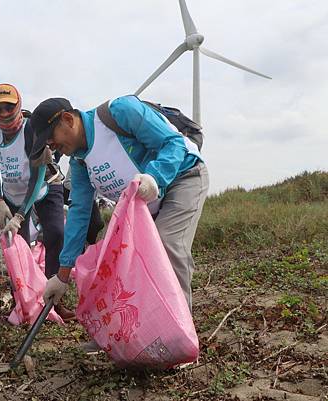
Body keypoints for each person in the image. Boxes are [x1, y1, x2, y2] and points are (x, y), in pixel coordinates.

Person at [30, 95, 209, 312]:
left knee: (166, 243)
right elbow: (79, 213)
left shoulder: (119, 112)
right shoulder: (79, 161)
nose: (52, 146)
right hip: (143, 204)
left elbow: (173, 143)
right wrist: (63, 275)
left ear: (68, 119)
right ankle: (121, 334)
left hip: (184, 177)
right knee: (110, 257)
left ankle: (180, 330)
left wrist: (155, 177)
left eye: (50, 137)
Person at [0, 84, 74, 320]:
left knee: (55, 234)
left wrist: (22, 215)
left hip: (44, 185)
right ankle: (21, 300)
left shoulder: (32, 130)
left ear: (18, 104)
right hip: (11, 192)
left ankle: (54, 300)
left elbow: (36, 176)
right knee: (16, 247)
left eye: (8, 106)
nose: (3, 113)